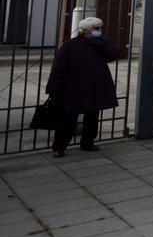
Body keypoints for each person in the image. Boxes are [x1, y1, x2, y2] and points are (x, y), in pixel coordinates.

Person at [46, 18, 119, 157]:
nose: (99, 31)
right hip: (74, 88)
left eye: (100, 28)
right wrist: (53, 89)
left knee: (92, 117)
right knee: (68, 118)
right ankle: (59, 146)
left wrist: (101, 44)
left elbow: (113, 54)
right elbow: (58, 69)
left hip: (94, 87)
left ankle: (88, 141)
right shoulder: (69, 46)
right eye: (96, 28)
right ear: (86, 31)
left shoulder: (100, 43)